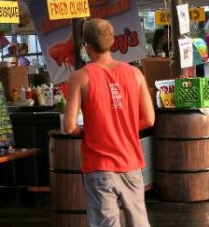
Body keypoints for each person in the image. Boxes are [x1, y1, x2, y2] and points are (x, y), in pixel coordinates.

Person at [64, 18, 155, 226]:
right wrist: (125, 128)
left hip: (99, 166)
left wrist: (90, 131)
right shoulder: (135, 74)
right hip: (131, 164)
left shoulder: (80, 77)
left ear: (86, 46)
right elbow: (149, 118)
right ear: (113, 41)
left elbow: (69, 126)